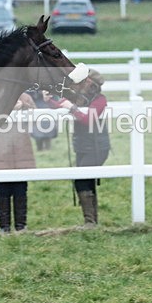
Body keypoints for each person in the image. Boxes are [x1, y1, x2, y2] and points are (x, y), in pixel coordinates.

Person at [45, 69, 110, 226]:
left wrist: (71, 107)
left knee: (82, 181)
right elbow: (61, 105)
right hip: (83, 146)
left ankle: (90, 222)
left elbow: (88, 120)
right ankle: (92, 221)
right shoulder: (81, 99)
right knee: (86, 181)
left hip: (97, 148)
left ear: (89, 83)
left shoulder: (100, 100)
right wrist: (49, 101)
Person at [0, 92, 37, 232]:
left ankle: (21, 225)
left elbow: (36, 118)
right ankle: (4, 226)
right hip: (0, 150)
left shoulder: (25, 97)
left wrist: (24, 107)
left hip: (22, 150)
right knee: (2, 189)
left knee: (21, 189)